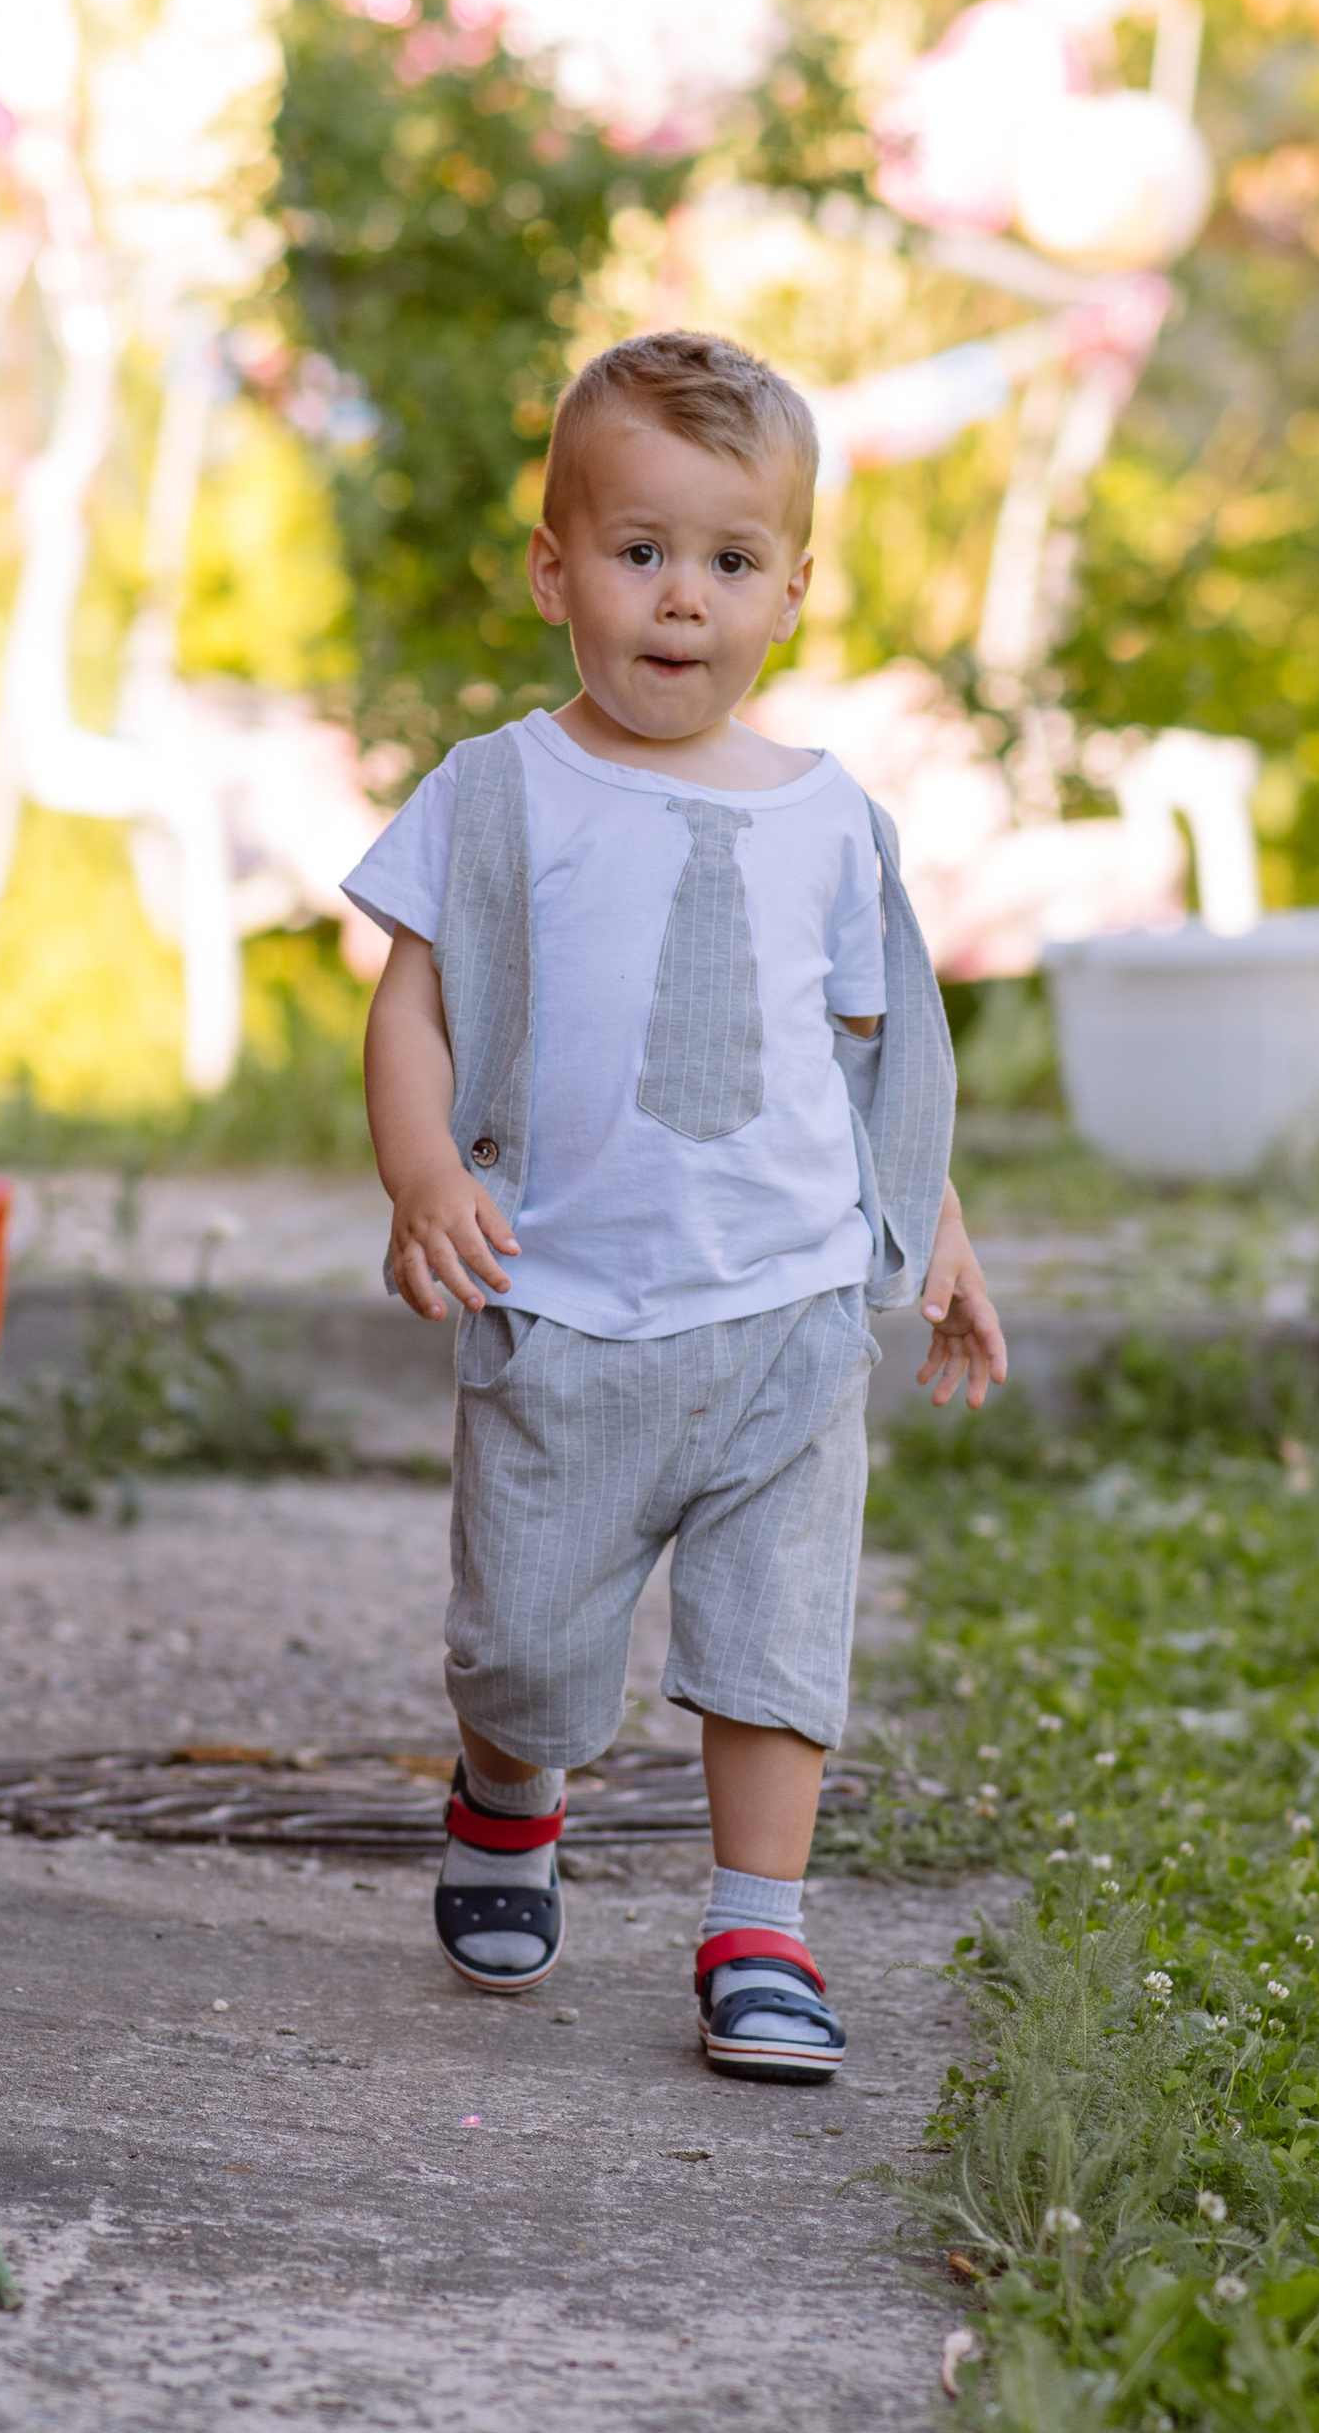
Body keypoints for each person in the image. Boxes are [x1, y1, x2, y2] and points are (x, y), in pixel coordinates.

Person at [340, 329, 1007, 2086]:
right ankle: (508, 1795)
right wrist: (423, 1176)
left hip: (783, 1316)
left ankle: (757, 1934)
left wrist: (930, 1232)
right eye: (641, 554)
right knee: (527, 1646)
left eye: (730, 562)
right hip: (564, 1303)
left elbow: (880, 1053)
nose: (682, 602)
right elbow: (411, 999)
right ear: (557, 570)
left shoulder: (829, 820)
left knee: (776, 1641)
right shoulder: (499, 789)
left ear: (795, 587)